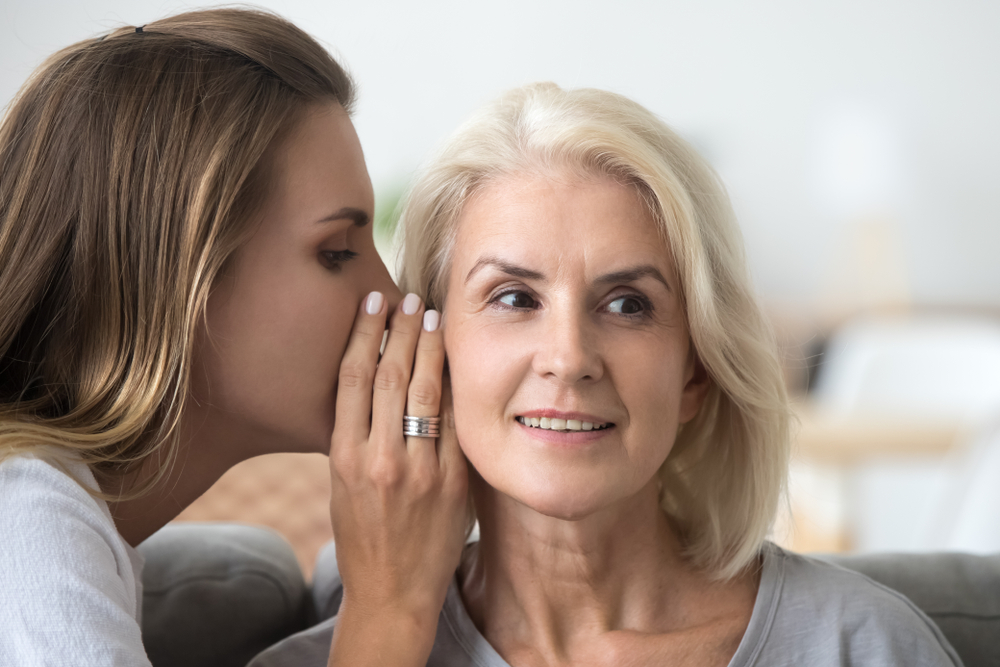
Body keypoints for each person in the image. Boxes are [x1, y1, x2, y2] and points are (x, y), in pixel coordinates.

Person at [251, 83, 962, 666]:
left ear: (696, 373)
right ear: (430, 354)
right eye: (514, 298)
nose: (569, 355)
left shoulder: (866, 646)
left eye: (628, 304)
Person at [0, 9, 467, 665]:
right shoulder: (27, 528)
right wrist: (389, 604)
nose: (390, 299)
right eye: (336, 250)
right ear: (172, 279)